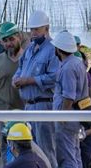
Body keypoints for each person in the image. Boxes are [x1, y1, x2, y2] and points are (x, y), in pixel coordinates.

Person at [13, 9, 58, 166]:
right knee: (31, 149)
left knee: (46, 149)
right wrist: (16, 79)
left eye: (36, 30)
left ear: (46, 28)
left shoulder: (53, 50)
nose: (33, 33)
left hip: (43, 104)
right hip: (29, 106)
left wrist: (30, 80)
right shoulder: (30, 49)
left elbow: (54, 77)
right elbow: (19, 68)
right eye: (31, 29)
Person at [0, 22, 25, 163]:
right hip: (3, 113)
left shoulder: (28, 58)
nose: (9, 43)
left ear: (19, 36)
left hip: (25, 113)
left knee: (26, 148)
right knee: (5, 149)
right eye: (5, 40)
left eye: (12, 39)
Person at [50, 31, 87, 168]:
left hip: (67, 117)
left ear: (59, 49)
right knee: (74, 153)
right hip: (75, 115)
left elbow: (69, 95)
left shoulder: (68, 68)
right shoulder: (77, 63)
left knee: (66, 157)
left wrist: (62, 116)